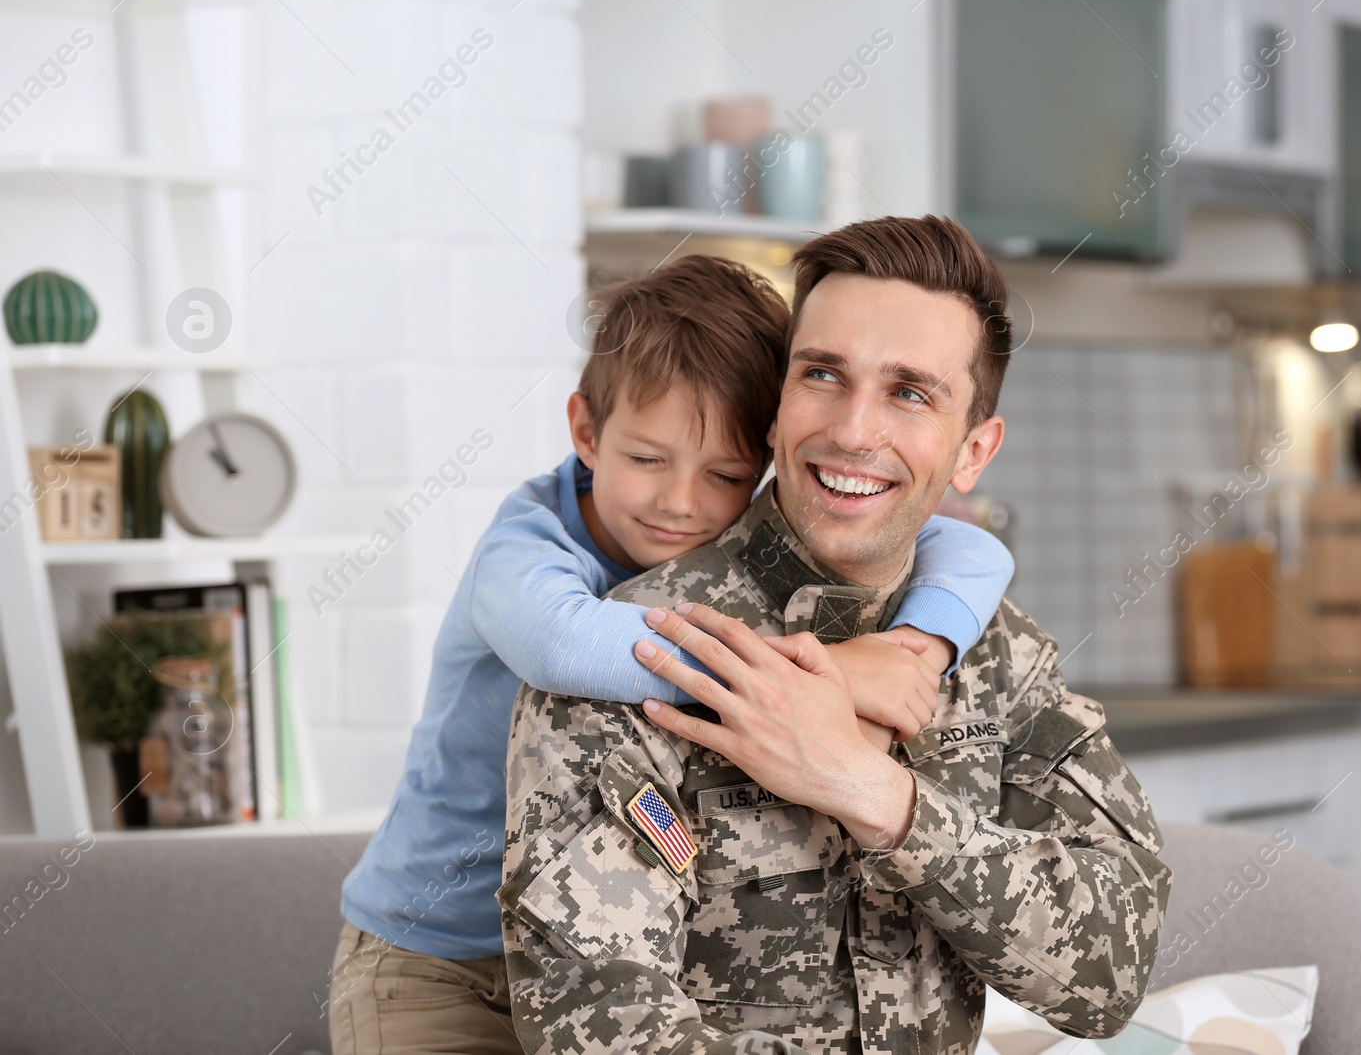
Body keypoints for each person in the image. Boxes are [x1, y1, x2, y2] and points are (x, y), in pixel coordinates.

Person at [500, 216, 1171, 1054]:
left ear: (972, 452)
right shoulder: (636, 654)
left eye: (910, 392)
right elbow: (599, 1028)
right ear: (776, 410)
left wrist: (874, 793)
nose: (854, 430)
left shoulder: (998, 654)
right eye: (823, 374)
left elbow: (1111, 974)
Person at [330, 254, 1016, 1053]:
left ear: (765, 457)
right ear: (586, 430)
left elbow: (972, 552)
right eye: (647, 459)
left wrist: (915, 648)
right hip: (440, 957)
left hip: (600, 955)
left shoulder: (733, 542)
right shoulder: (526, 551)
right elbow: (566, 645)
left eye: (724, 474)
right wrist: (821, 672)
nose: (680, 502)